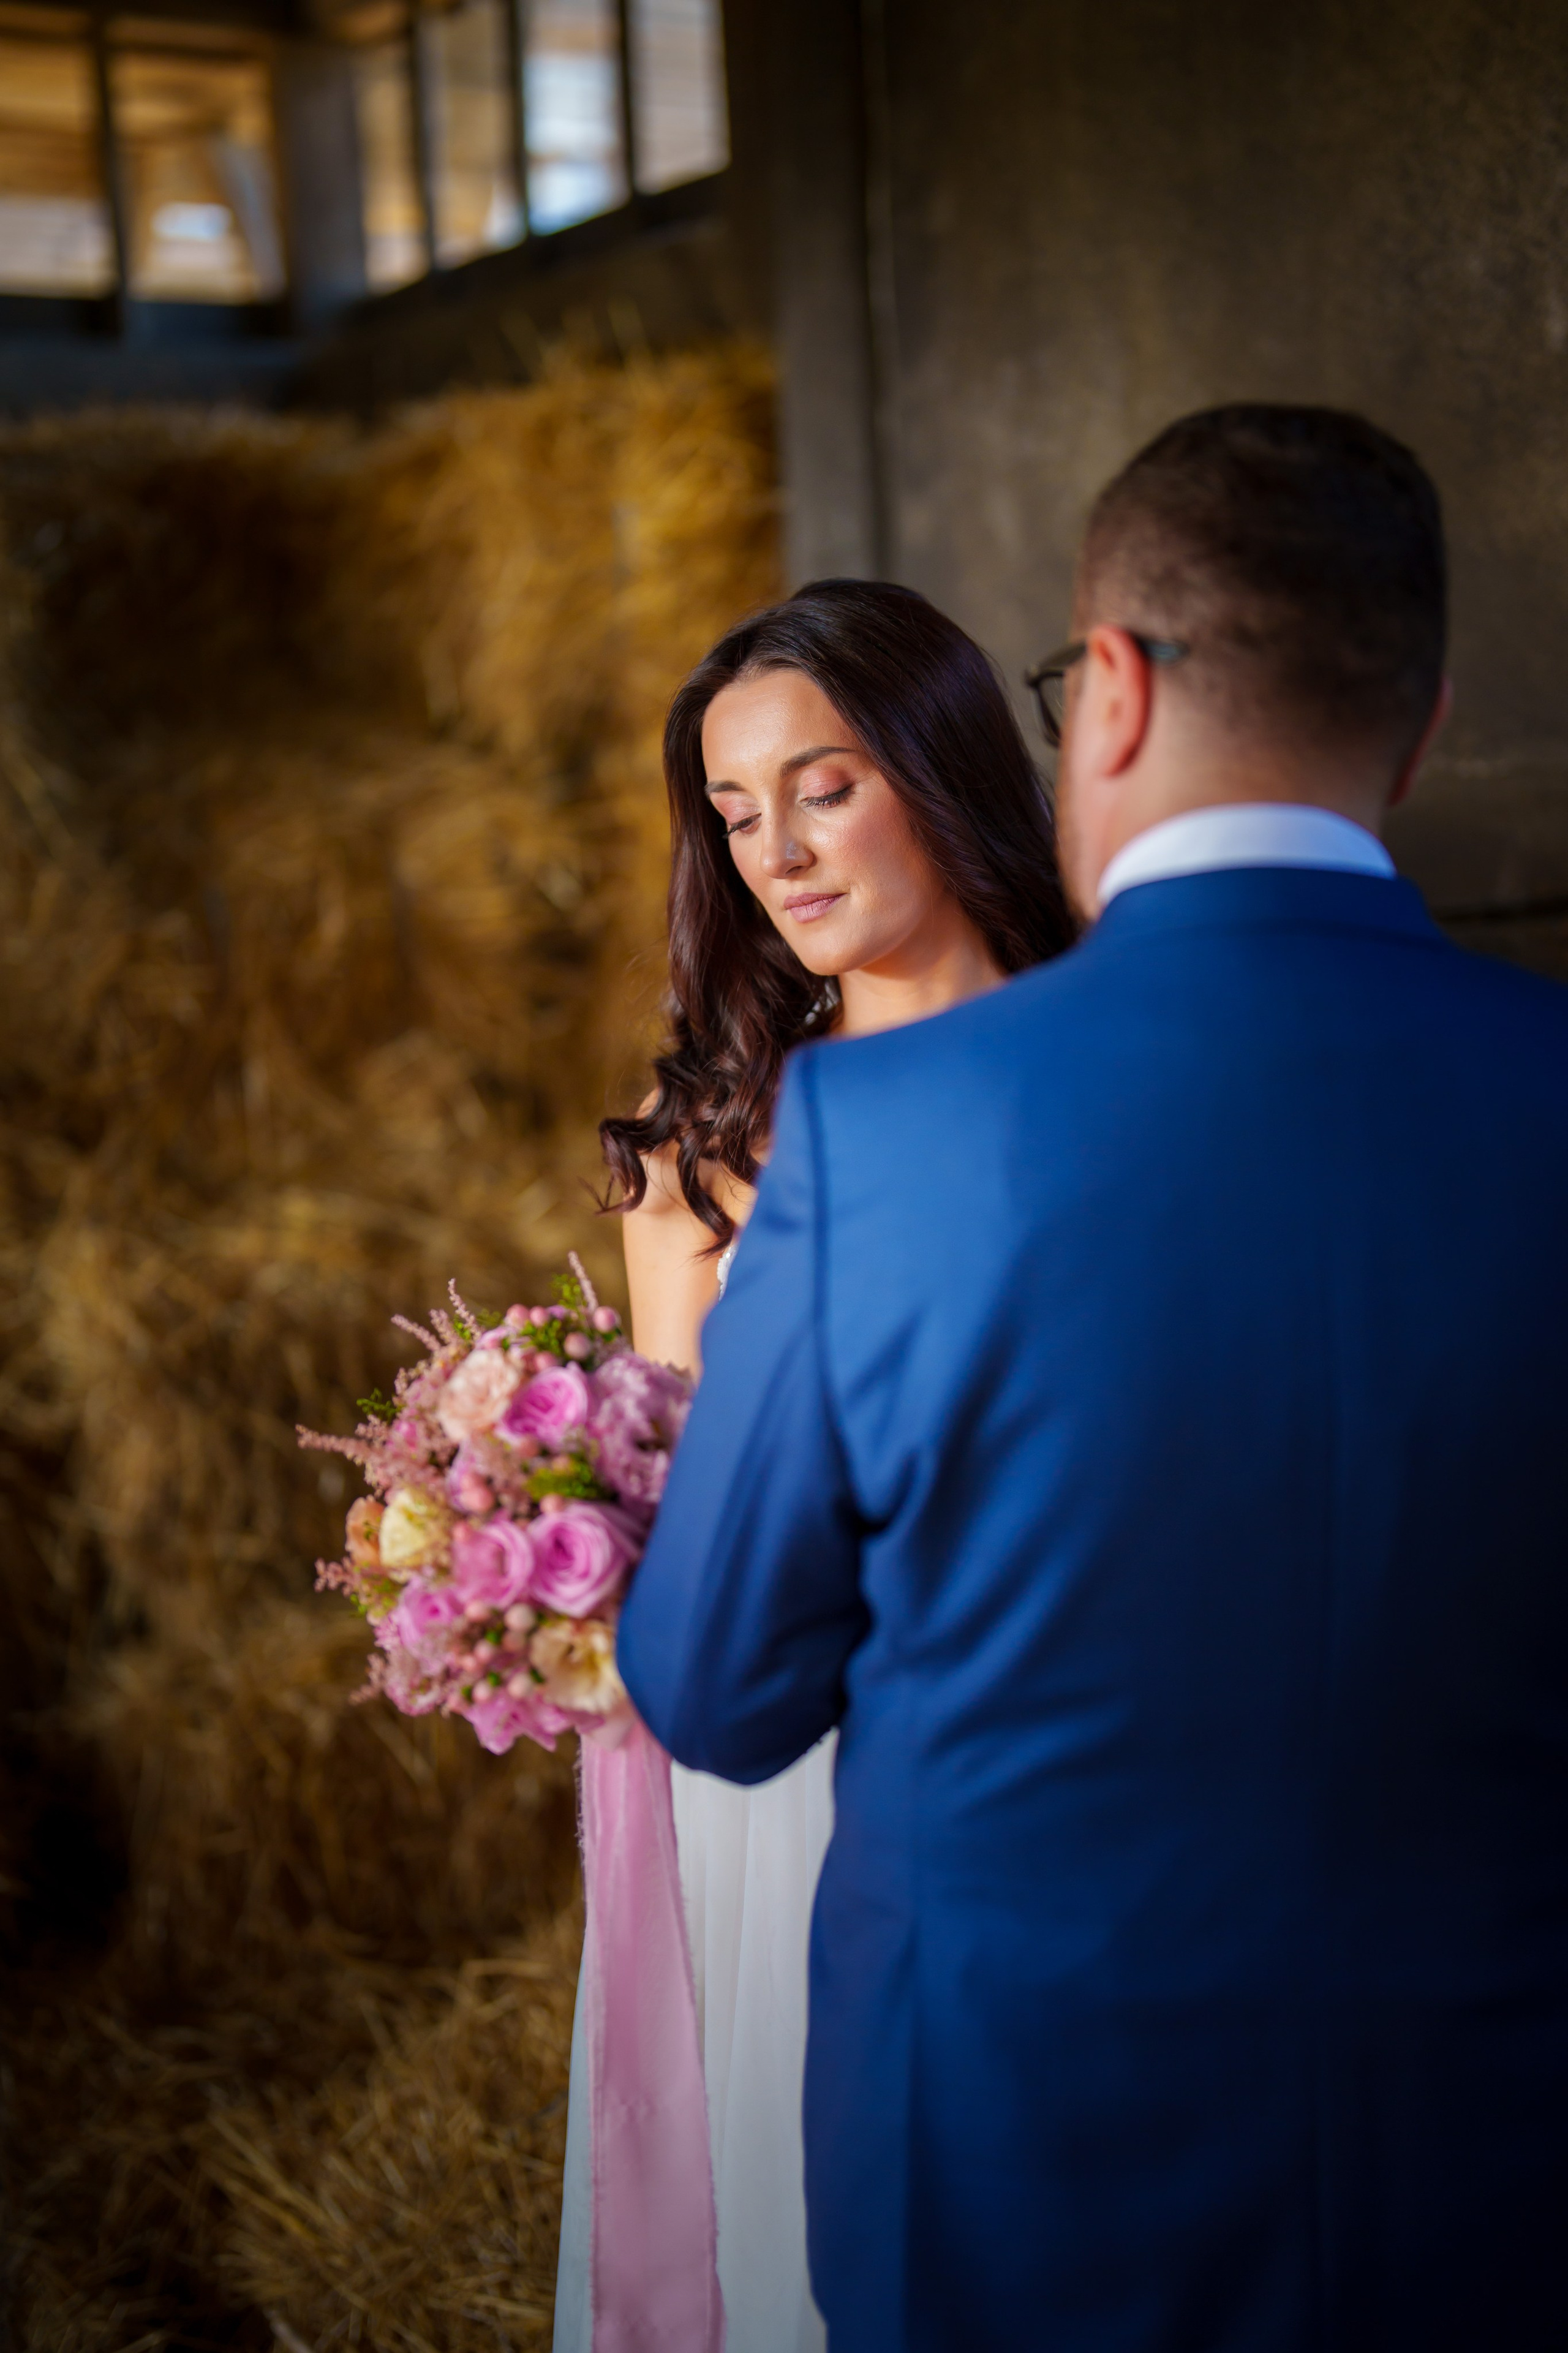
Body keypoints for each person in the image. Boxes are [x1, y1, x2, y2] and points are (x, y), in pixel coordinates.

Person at [617, 406, 1568, 2350]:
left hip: (1011, 2155)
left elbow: (712, 1686)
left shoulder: (881, 1137)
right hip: (1499, 2137)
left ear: (1105, 693)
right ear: (1428, 713)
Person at [552, 578, 1070, 2352]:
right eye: (735, 806)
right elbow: (699, 1512)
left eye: (824, 783)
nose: (775, 845)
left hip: (1056, 1727)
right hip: (785, 1770)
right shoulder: (696, 1151)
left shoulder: (1105, 1069)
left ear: (941, 764)